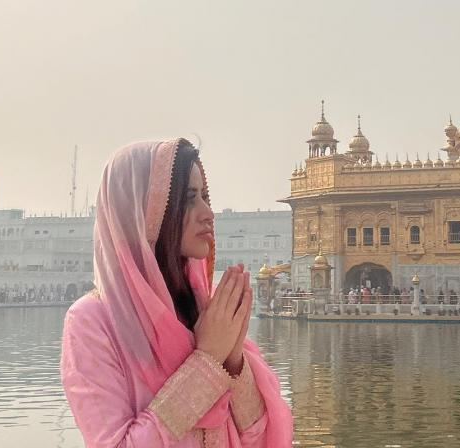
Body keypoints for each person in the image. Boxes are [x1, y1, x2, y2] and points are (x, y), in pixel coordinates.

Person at [60, 139, 292, 447]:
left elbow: (258, 437)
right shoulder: (94, 322)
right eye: (189, 199)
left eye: (206, 197)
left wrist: (232, 359)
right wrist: (208, 359)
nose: (208, 213)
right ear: (145, 210)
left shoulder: (200, 309)